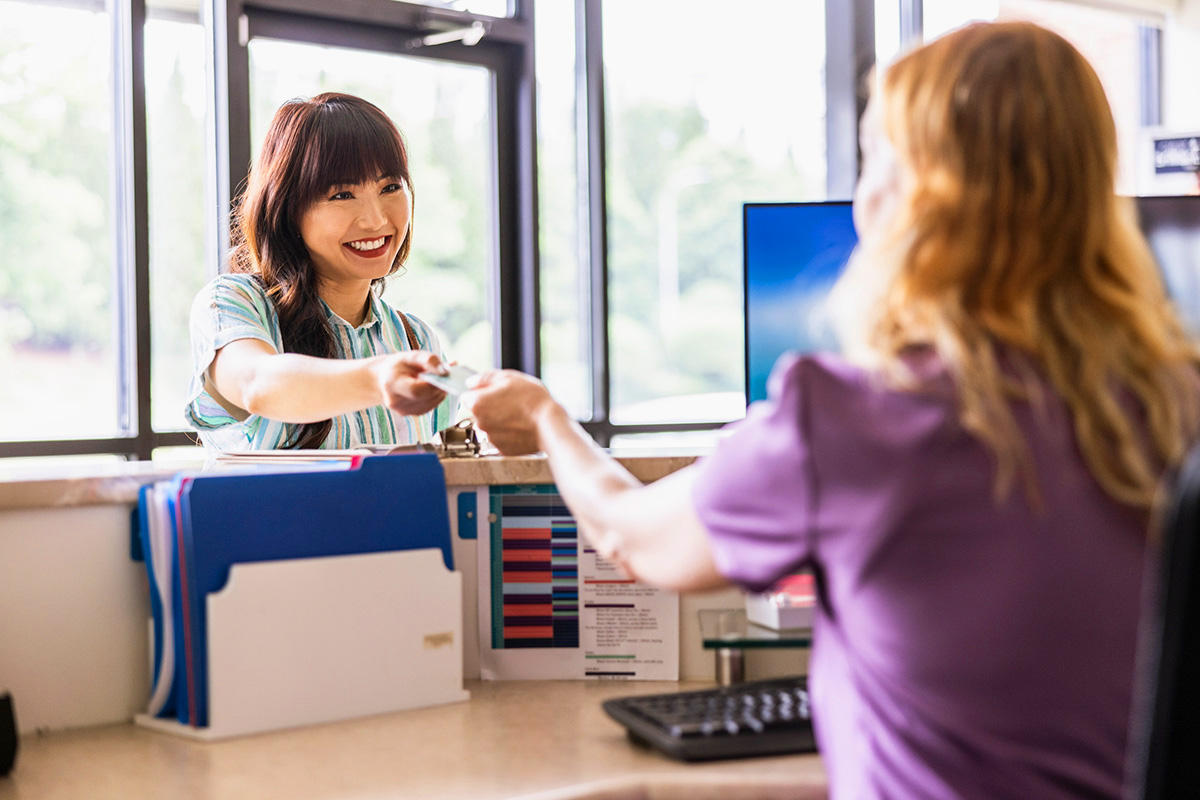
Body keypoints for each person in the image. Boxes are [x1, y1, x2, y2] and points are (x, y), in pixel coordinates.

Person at [461, 22, 1200, 800]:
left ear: (921, 197)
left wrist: (546, 421)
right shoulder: (1178, 403)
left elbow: (632, 537)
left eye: (874, 158)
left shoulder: (855, 420)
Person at [186, 92, 452, 451]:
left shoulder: (415, 339)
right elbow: (256, 385)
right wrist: (379, 379)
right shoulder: (232, 304)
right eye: (342, 195)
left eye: (390, 187)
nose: (375, 220)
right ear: (287, 209)